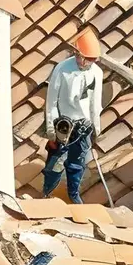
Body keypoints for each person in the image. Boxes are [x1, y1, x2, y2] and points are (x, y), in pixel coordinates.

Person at [43, 29, 104, 204]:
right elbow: (52, 101)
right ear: (77, 54)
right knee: (55, 163)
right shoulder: (62, 69)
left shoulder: (97, 73)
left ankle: (73, 194)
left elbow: (95, 103)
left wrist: (96, 128)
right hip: (63, 124)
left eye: (91, 60)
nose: (86, 63)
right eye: (84, 58)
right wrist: (50, 128)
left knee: (77, 163)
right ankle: (48, 191)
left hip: (84, 125)